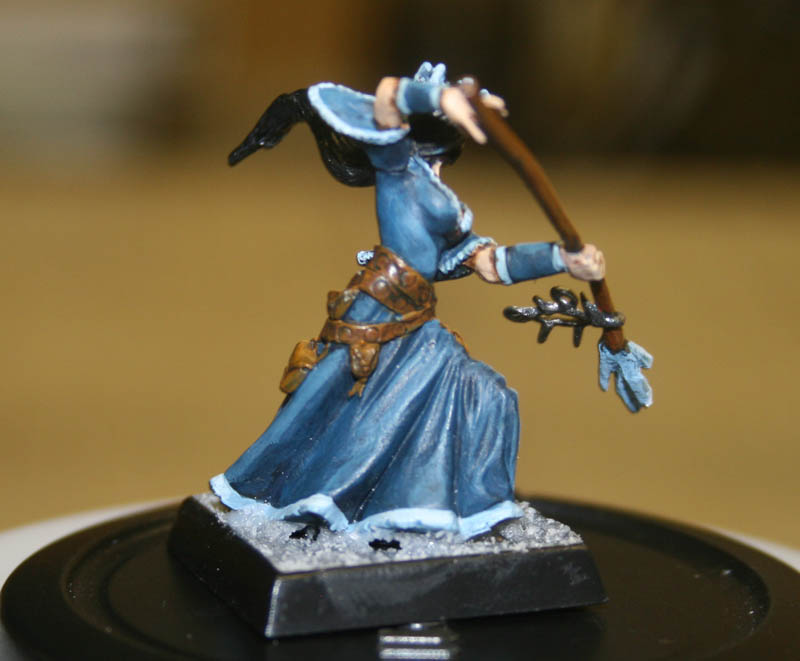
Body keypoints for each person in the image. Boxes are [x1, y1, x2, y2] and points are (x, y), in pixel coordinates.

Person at [210, 62, 605, 539]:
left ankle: (464, 506)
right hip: (381, 308)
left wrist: (561, 259)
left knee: (484, 391)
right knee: (355, 411)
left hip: (417, 318)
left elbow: (490, 262)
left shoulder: (440, 192)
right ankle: (326, 498)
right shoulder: (396, 167)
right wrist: (439, 97)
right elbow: (386, 96)